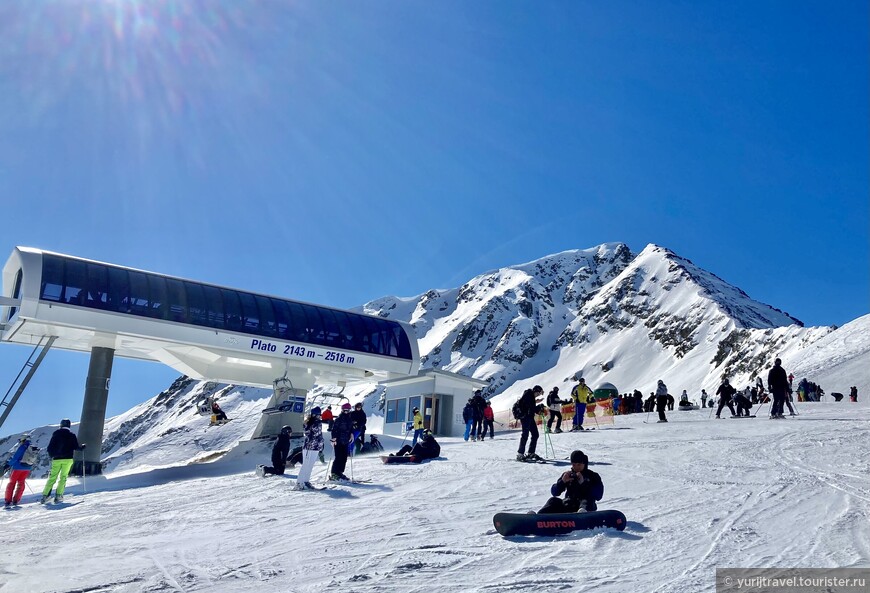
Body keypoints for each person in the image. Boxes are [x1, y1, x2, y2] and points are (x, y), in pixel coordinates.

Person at [537, 450, 604, 514]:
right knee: (553, 500)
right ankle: (537, 518)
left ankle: (582, 515)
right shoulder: (569, 475)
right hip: (568, 506)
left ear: (584, 463)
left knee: (587, 500)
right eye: (574, 465)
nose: (577, 467)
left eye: (579, 464)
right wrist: (562, 482)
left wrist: (583, 483)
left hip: (585, 506)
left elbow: (598, 495)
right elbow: (555, 492)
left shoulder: (593, 476)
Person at [41, 419, 85, 504]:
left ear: (61, 425)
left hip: (56, 459)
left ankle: (45, 496)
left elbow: (50, 447)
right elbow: (76, 447)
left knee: (52, 477)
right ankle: (58, 496)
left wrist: (53, 455)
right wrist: (82, 447)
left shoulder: (56, 434)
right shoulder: (71, 435)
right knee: (63, 477)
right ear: (69, 426)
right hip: (68, 459)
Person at [296, 407, 324, 490]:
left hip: (315, 447)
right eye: (318, 415)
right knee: (306, 464)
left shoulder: (317, 422)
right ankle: (299, 483)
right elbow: (310, 433)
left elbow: (319, 435)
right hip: (309, 447)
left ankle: (306, 481)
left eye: (320, 415)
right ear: (314, 415)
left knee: (310, 465)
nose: (319, 417)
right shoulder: (310, 422)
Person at [4, 434, 35, 508]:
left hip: (17, 468)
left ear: (23, 440)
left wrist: (8, 464)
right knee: (21, 483)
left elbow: (15, 457)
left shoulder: (23, 447)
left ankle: (8, 500)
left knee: (12, 483)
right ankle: (16, 500)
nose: (20, 442)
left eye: (20, 440)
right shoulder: (32, 447)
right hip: (27, 468)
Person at [517, 386, 544, 461]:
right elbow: (530, 407)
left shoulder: (531, 396)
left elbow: (532, 408)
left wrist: (538, 407)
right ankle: (520, 453)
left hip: (530, 417)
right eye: (538, 393)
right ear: (535, 391)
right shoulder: (528, 395)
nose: (538, 395)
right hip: (525, 417)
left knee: (535, 434)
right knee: (525, 434)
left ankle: (531, 452)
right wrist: (538, 407)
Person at [329, 403, 354, 481]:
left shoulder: (350, 419)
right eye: (345, 410)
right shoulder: (339, 419)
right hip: (338, 441)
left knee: (344, 458)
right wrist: (333, 438)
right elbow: (334, 429)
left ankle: (339, 472)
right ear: (342, 410)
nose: (346, 412)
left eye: (348, 410)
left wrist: (351, 434)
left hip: (346, 441)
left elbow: (350, 429)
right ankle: (334, 473)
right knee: (338, 457)